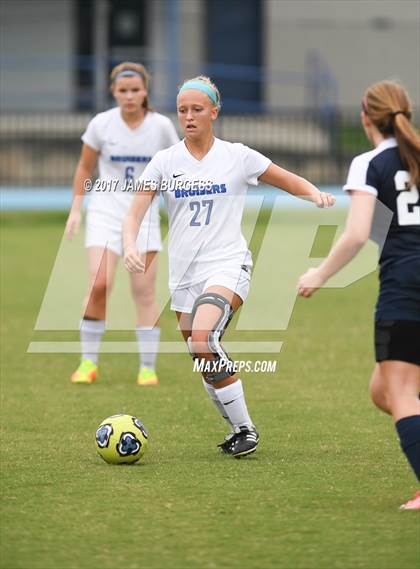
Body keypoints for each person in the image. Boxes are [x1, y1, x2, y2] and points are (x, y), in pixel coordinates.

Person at [123, 75, 335, 458]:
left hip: (227, 264)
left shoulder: (238, 156)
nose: (189, 116)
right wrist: (129, 245)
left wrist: (315, 194)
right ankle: (238, 430)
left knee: (204, 339)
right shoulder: (165, 161)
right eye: (183, 110)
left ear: (214, 113)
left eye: (197, 109)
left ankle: (246, 429)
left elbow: (284, 179)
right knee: (201, 356)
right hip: (183, 276)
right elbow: (136, 208)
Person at [298, 80, 420, 509]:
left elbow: (353, 235)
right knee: (382, 391)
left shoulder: (370, 163)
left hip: (406, 287)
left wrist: (319, 273)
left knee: (400, 393)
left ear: (365, 118)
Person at [65, 62, 179, 386]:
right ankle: (88, 363)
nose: (129, 96)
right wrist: (76, 209)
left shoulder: (160, 127)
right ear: (113, 91)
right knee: (100, 284)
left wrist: (176, 211)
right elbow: (85, 169)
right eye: (123, 90)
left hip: (144, 216)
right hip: (104, 212)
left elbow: (175, 169)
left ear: (146, 91)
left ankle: (147, 367)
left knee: (143, 292)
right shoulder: (101, 124)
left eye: (135, 90)